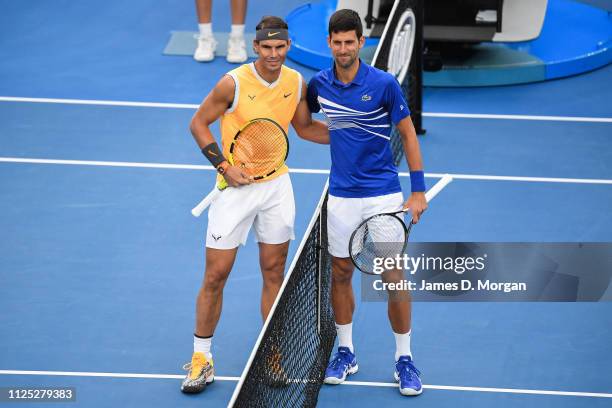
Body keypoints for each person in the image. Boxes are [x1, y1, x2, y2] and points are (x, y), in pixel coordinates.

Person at [181, 15, 329, 394]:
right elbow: (198, 123)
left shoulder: (296, 82)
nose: (274, 54)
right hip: (235, 190)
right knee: (216, 275)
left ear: (288, 47)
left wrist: (355, 133)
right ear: (256, 47)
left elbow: (306, 128)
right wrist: (224, 167)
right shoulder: (232, 83)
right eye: (267, 47)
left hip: (277, 187)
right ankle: (201, 358)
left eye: (281, 47)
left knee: (274, 272)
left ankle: (272, 354)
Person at [306, 9, 427, 396]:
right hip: (341, 197)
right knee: (341, 273)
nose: (343, 48)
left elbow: (408, 135)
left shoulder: (384, 84)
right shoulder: (318, 85)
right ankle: (346, 352)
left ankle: (404, 360)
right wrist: (342, 136)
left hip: (384, 196)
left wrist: (419, 191)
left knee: (393, 275)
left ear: (361, 42)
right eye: (337, 42)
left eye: (350, 41)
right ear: (330, 43)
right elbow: (304, 123)